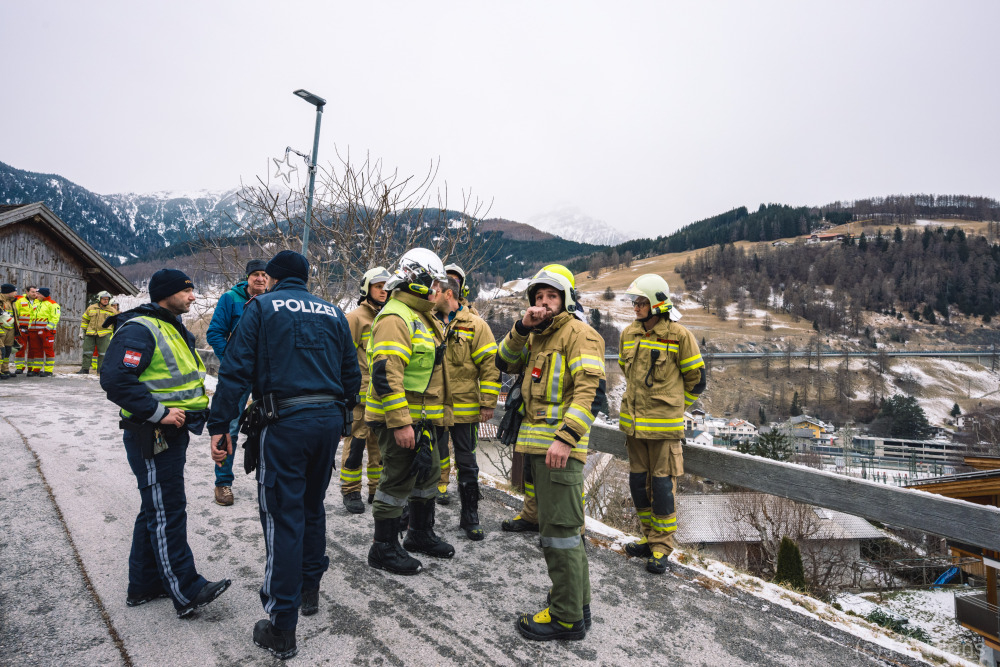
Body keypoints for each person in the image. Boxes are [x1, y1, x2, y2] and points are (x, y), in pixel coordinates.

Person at [208, 250, 360, 660]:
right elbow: (351, 375)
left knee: (282, 517)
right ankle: (309, 588)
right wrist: (340, 415)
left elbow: (235, 370)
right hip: (327, 422)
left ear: (273, 278)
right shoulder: (333, 312)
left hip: (285, 424)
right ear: (305, 279)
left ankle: (282, 626)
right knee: (311, 506)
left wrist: (220, 424)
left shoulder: (260, 307)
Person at [100, 269, 231, 618]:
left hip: (173, 433)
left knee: (155, 507)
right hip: (152, 432)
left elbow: (184, 384)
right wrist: (158, 413)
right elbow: (115, 379)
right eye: (186, 291)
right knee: (167, 510)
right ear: (165, 293)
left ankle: (144, 585)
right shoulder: (140, 329)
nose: (192, 296)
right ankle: (187, 589)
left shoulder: (173, 328)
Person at [495, 264, 605, 641]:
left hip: (559, 451)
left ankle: (566, 617)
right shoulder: (536, 337)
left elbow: (589, 394)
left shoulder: (580, 334)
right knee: (562, 533)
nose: (543, 303)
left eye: (551, 296)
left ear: (566, 300)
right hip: (537, 448)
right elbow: (503, 362)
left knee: (560, 535)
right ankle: (578, 606)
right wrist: (522, 327)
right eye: (538, 297)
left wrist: (566, 438)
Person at [366, 248, 454, 575]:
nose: (436, 290)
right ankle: (383, 547)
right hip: (399, 419)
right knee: (397, 480)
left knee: (427, 475)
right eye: (433, 283)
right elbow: (386, 374)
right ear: (416, 280)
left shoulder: (419, 315)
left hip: (422, 418)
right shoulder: (396, 317)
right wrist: (401, 423)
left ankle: (419, 533)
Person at [618, 274, 705, 574]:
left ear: (657, 304)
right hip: (634, 428)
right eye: (635, 302)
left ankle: (661, 547)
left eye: (642, 302)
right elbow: (627, 372)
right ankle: (648, 537)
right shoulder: (628, 333)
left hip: (664, 431)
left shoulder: (679, 336)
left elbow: (697, 381)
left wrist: (675, 407)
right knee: (638, 485)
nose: (636, 307)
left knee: (662, 488)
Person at [434, 272, 500, 540]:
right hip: (433, 409)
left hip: (465, 410)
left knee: (467, 464)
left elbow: (490, 366)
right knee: (425, 462)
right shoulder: (427, 321)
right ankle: (419, 520)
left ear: (448, 293)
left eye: (435, 291)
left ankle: (470, 517)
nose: (431, 296)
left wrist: (487, 403)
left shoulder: (475, 325)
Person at [205, 259, 269, 506]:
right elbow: (215, 333)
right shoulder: (230, 299)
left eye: (265, 275)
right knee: (228, 426)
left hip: (265, 376)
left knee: (269, 425)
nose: (260, 279)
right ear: (248, 277)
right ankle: (223, 483)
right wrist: (231, 361)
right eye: (256, 274)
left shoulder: (272, 300)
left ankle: (267, 481)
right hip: (238, 375)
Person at [340, 266, 392, 514]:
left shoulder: (390, 318)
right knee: (355, 446)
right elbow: (343, 358)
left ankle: (376, 489)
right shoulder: (355, 318)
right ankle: (351, 491)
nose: (383, 291)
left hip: (382, 396)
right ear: (366, 289)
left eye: (386, 287)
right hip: (360, 397)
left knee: (379, 448)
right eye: (378, 286)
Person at [78, 291, 117, 374]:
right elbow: (85, 320)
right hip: (90, 333)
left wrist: (114, 333)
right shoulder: (91, 308)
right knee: (87, 352)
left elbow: (116, 323)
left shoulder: (112, 311)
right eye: (104, 299)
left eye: (107, 299)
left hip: (104, 335)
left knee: (103, 354)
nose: (106, 301)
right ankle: (85, 369)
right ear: (99, 299)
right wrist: (83, 330)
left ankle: (101, 371)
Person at [31, 287, 60, 376]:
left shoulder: (53, 304)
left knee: (48, 350)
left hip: (47, 331)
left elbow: (55, 317)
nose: (36, 295)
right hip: (34, 331)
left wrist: (47, 328)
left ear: (43, 295)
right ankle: (36, 369)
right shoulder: (36, 303)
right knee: (37, 350)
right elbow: (32, 317)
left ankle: (48, 371)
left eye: (38, 294)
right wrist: (30, 328)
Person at [15, 286, 39, 375]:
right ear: (27, 292)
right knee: (21, 347)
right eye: (32, 292)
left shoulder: (39, 301)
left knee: (33, 348)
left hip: (34, 329)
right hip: (22, 328)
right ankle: (19, 367)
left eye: (36, 292)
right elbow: (16, 314)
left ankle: (31, 368)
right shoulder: (20, 301)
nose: (35, 294)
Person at [0, 283, 19, 379]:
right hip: (2, 328)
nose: (16, 293)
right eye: (14, 291)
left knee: (7, 350)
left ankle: (5, 369)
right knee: (1, 350)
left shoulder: (12, 301)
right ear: (8, 292)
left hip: (10, 329)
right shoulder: (1, 300)